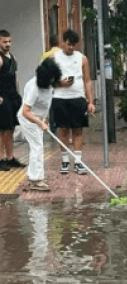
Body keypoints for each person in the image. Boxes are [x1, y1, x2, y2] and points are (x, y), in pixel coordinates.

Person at [51, 28, 94, 175]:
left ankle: (78, 162)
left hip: (78, 98)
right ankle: (64, 161)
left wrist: (90, 101)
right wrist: (59, 83)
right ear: (62, 42)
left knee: (78, 130)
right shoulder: (54, 58)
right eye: (68, 44)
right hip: (60, 98)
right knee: (63, 130)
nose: (71, 48)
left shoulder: (82, 58)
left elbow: (87, 81)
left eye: (73, 45)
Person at [18, 59, 62, 191]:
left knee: (37, 147)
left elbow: (46, 103)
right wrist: (39, 122)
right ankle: (36, 180)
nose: (52, 82)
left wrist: (46, 119)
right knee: (37, 147)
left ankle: (35, 177)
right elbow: (26, 111)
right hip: (28, 119)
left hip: (39, 118)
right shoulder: (33, 87)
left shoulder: (49, 83)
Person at [0, 30, 22, 171]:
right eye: (4, 42)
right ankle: (1, 159)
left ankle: (10, 157)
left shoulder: (12, 57)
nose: (8, 44)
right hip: (3, 98)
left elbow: (14, 77)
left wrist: (18, 95)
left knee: (11, 129)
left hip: (13, 97)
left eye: (9, 41)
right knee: (2, 130)